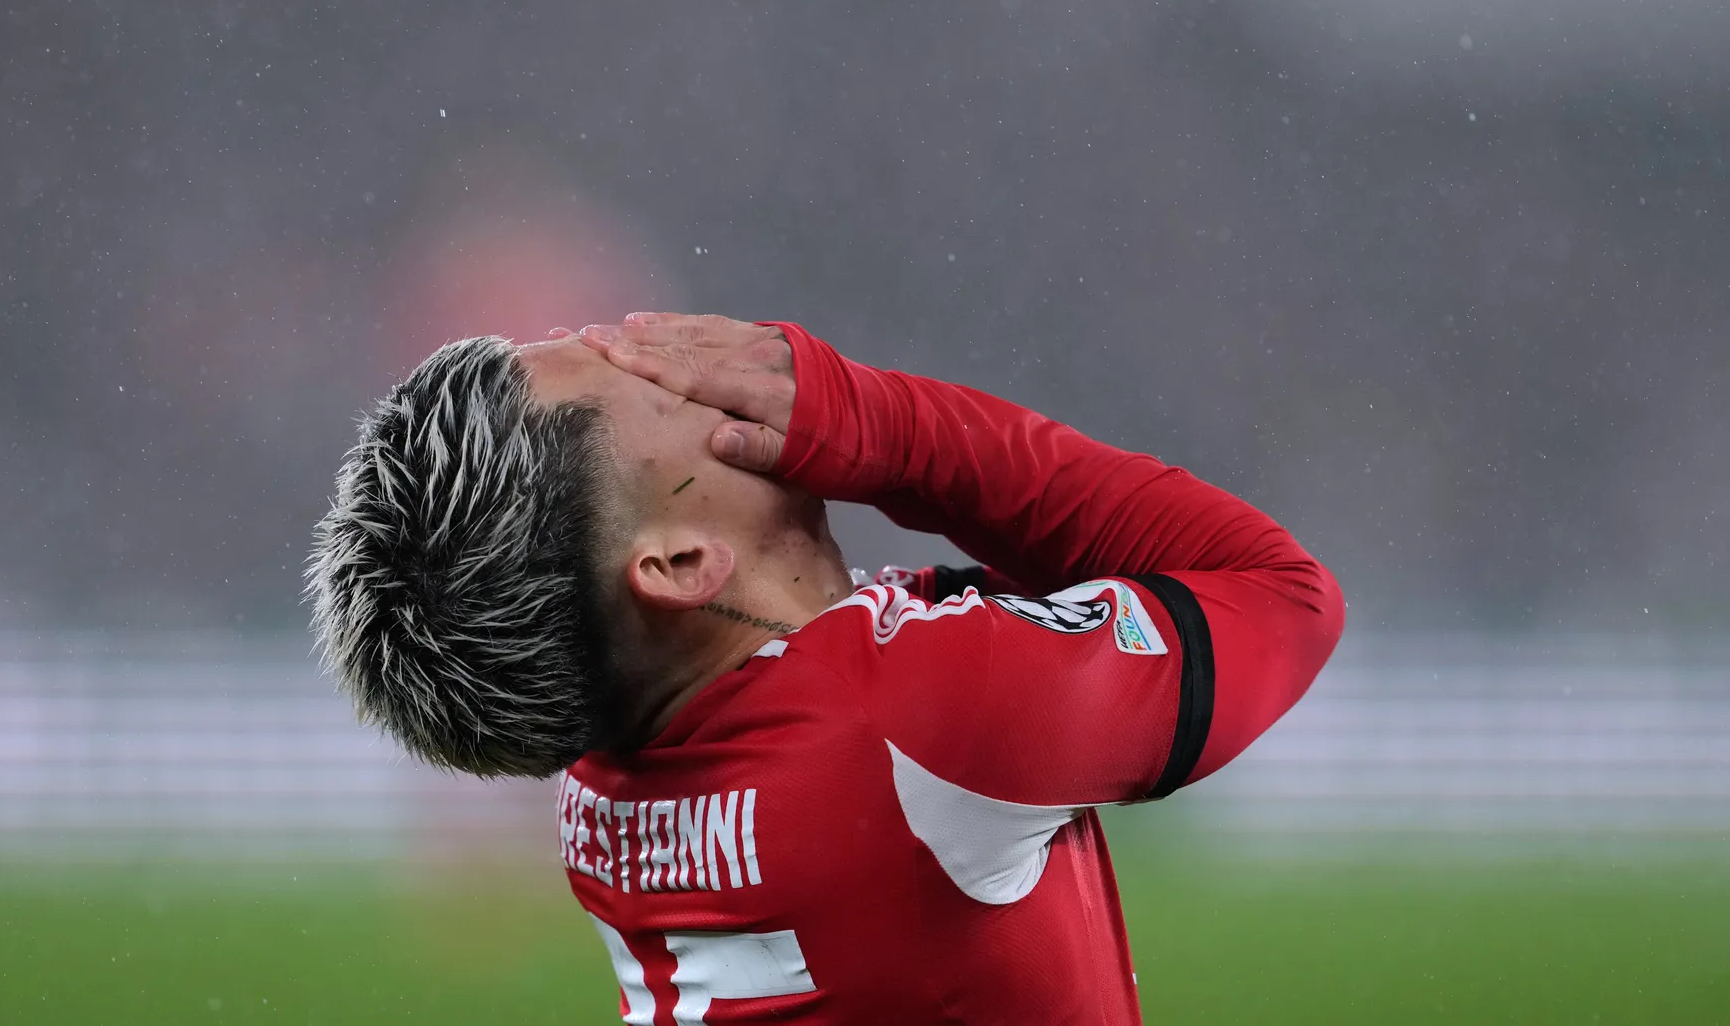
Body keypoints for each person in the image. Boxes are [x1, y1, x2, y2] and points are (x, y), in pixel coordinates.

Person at [307, 313, 1344, 1024]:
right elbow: (1281, 593)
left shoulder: (611, 770)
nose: (685, 350)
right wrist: (886, 427)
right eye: (644, 378)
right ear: (676, 564)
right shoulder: (906, 716)